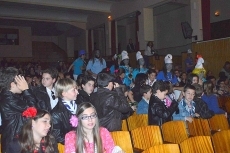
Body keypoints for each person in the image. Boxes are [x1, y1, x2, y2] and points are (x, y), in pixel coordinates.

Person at [0, 67, 37, 153]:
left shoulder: (10, 96)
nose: (23, 83)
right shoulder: (9, 98)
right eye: (20, 81)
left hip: (14, 139)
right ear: (12, 84)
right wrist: (26, 89)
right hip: (13, 141)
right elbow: (33, 110)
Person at [51, 78, 79, 144]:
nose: (77, 92)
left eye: (76, 89)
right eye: (74, 90)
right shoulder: (56, 113)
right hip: (68, 146)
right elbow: (58, 136)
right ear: (64, 93)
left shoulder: (79, 105)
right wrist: (75, 142)